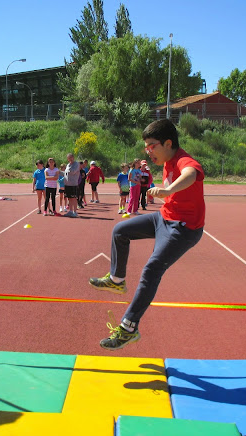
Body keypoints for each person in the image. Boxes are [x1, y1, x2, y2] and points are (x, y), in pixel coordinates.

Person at [89, 119, 205, 350]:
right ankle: (116, 280)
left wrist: (168, 190)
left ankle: (129, 328)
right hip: (163, 218)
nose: (148, 151)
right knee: (120, 230)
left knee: (152, 269)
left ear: (168, 143)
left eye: (152, 146)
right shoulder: (166, 160)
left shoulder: (184, 160)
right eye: (146, 147)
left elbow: (191, 173)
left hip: (183, 229)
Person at [63, 153, 80, 217]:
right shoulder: (68, 165)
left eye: (71, 157)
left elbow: (73, 171)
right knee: (69, 198)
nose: (70, 159)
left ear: (73, 157)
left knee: (74, 198)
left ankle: (75, 212)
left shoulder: (76, 164)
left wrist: (67, 170)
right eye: (69, 158)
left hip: (73, 184)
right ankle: (70, 211)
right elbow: (65, 173)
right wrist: (59, 172)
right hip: (67, 184)